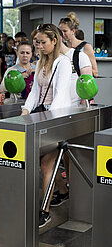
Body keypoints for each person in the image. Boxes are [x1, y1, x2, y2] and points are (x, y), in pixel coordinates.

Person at [21, 24, 72, 228]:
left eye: (43, 42)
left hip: (55, 117)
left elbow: (60, 96)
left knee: (46, 164)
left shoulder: (63, 63)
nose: (39, 46)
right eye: (37, 42)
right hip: (41, 115)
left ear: (54, 41)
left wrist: (49, 121)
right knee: (42, 160)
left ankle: (45, 211)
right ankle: (64, 191)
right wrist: (25, 111)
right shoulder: (42, 62)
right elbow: (35, 93)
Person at [49, 28, 93, 207]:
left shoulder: (79, 56)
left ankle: (76, 191)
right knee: (60, 151)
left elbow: (88, 82)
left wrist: (84, 105)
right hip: (56, 110)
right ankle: (65, 189)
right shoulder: (51, 59)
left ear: (56, 39)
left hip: (76, 111)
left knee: (72, 151)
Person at [59, 12, 98, 78]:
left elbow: (95, 72)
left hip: (79, 85)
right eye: (60, 31)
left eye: (65, 31)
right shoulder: (61, 47)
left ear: (73, 31)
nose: (62, 34)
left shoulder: (86, 47)